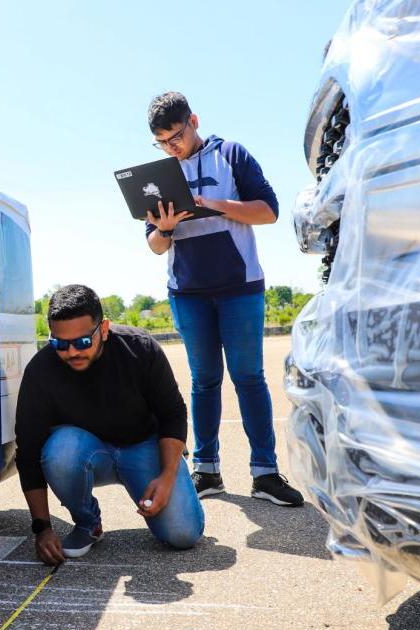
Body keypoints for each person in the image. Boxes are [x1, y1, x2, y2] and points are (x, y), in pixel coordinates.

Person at [143, 91, 304, 507]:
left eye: (175, 136)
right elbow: (156, 247)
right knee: (204, 380)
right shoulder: (160, 174)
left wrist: (211, 205)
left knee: (249, 378)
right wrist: (164, 227)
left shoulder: (231, 154)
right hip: (187, 292)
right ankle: (207, 470)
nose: (171, 147)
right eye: (162, 142)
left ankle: (265, 473)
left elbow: (267, 211)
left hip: (239, 286)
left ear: (193, 120)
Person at [16, 284, 205, 564]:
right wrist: (42, 528)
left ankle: (174, 468)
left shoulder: (140, 349)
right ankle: (87, 522)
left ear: (103, 329)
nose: (71, 352)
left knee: (183, 535)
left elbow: (173, 414)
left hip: (144, 445)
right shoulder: (40, 372)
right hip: (88, 453)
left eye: (81, 342)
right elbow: (28, 452)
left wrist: (166, 477)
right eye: (59, 343)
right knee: (60, 450)